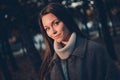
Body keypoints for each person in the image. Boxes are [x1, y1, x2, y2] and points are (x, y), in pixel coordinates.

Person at [38, 3, 120, 80]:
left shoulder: (95, 51)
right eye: (47, 28)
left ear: (66, 20)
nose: (53, 31)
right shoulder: (50, 62)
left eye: (56, 23)